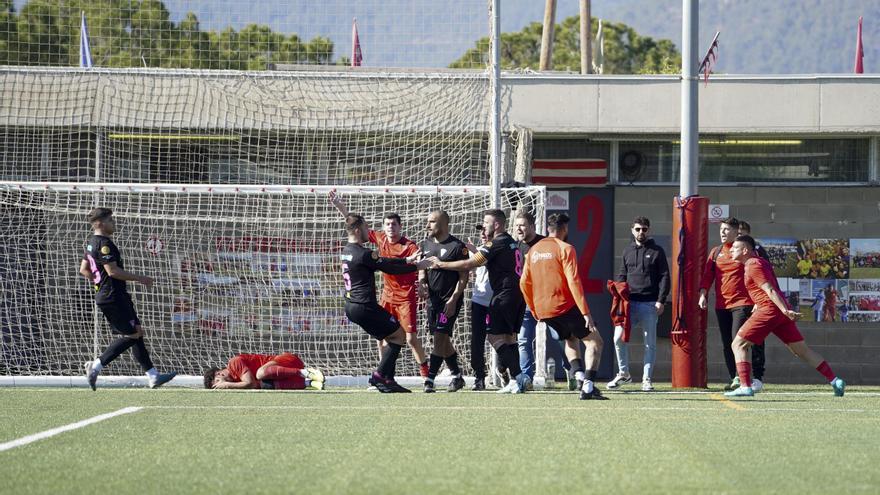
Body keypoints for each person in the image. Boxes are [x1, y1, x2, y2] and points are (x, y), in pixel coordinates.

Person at [725, 235, 845, 397]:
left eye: (735, 248)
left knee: (738, 344)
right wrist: (777, 309)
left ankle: (745, 386)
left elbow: (770, 290)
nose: (731, 250)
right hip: (777, 311)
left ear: (745, 250)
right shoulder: (760, 262)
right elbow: (768, 288)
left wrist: (784, 310)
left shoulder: (752, 264)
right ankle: (835, 380)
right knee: (802, 351)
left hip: (771, 310)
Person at [329, 191, 430, 378]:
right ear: (383, 228)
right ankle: (385, 375)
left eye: (394, 224)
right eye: (387, 224)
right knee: (383, 338)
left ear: (400, 227)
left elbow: (419, 263)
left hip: (406, 296)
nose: (390, 227)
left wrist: (422, 280)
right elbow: (355, 226)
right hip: (386, 296)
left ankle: (425, 374)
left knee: (409, 338)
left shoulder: (409, 245)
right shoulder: (378, 240)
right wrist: (341, 208)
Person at [429, 209, 528, 394]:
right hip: (517, 294)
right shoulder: (511, 243)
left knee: (493, 337)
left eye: (486, 223)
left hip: (503, 296)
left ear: (497, 225)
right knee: (508, 338)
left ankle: (519, 376)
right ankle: (515, 379)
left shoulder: (496, 243)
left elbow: (469, 264)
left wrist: (441, 264)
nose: (483, 226)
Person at [79, 208, 177, 391]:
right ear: (100, 223)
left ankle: (153, 376)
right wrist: (141, 278)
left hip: (111, 295)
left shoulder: (92, 243)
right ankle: (97, 365)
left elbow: (84, 270)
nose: (113, 223)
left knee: (137, 332)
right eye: (110, 220)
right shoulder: (104, 244)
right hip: (113, 296)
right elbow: (113, 271)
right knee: (131, 335)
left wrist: (99, 282)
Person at [519, 213, 607, 400]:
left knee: (570, 339)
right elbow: (574, 281)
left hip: (544, 310)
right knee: (595, 342)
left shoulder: (533, 251)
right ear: (565, 229)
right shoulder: (565, 248)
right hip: (564, 305)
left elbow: (523, 283)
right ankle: (589, 386)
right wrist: (585, 312)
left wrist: (534, 309)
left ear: (548, 229)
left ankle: (580, 377)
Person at [699, 217, 765, 392]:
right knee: (727, 342)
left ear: (737, 233)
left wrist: (759, 300)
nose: (722, 232)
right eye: (721, 229)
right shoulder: (716, 252)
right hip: (722, 305)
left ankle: (743, 377)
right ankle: (734, 377)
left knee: (739, 340)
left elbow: (759, 274)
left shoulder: (744, 252)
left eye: (727, 229)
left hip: (742, 304)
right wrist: (703, 294)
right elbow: (707, 276)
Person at [608, 216, 669, 391]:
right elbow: (621, 276)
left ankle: (646, 379)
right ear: (632, 230)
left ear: (649, 230)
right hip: (629, 305)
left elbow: (665, 277)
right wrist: (618, 297)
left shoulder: (657, 251)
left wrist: (661, 300)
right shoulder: (627, 251)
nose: (641, 232)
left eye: (644, 229)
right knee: (618, 338)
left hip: (650, 304)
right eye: (638, 229)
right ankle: (624, 374)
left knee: (650, 343)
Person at [418, 211, 469, 393]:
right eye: (428, 221)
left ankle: (429, 380)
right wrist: (422, 283)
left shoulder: (457, 246)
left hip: (449, 301)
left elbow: (464, 276)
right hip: (433, 302)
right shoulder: (426, 244)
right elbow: (423, 268)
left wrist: (454, 299)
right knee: (442, 340)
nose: (428, 225)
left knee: (440, 336)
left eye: (431, 222)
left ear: (443, 224)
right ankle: (457, 376)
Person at [512, 211, 545, 388]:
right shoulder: (515, 246)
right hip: (525, 301)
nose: (519, 228)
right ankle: (526, 379)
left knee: (561, 337)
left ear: (532, 226)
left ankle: (572, 372)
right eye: (517, 225)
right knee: (524, 340)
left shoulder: (544, 244)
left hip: (546, 300)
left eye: (522, 225)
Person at [467, 224, 495, 391]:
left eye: (486, 230)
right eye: (481, 231)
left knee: (501, 338)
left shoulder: (496, 249)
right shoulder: (476, 251)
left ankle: (506, 370)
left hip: (497, 301)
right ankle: (479, 376)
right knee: (477, 340)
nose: (483, 234)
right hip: (479, 301)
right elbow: (470, 266)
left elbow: (481, 261)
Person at [204, 352, 324, 390]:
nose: (218, 386)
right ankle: (309, 383)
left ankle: (307, 372)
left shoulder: (233, 363)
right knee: (264, 385)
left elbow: (249, 382)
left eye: (216, 382)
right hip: (285, 376)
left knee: (260, 374)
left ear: (219, 374)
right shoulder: (236, 380)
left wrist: (227, 385)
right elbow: (255, 385)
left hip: (288, 361)